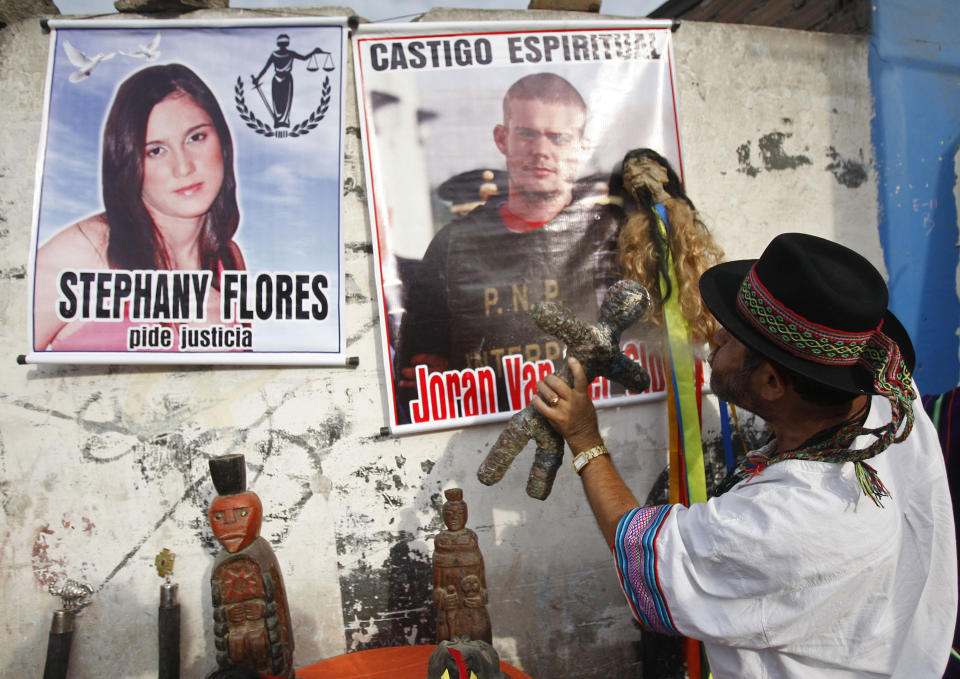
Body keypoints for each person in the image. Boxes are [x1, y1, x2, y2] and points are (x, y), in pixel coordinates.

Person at [534, 232, 957, 677]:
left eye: (733, 338)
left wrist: (584, 439)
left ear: (773, 384)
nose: (716, 336)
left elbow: (647, 555)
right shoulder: (884, 395)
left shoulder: (792, 518)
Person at [397, 72, 621, 418]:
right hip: (482, 444)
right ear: (503, 138)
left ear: (582, 146)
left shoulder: (611, 235)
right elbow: (418, 378)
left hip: (606, 430)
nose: (541, 151)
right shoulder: (452, 245)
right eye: (527, 134)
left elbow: (652, 347)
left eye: (558, 137)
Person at [33, 63, 246, 351]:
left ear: (222, 141)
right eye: (155, 151)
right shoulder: (85, 250)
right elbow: (10, 356)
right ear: (128, 161)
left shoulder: (227, 259)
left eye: (195, 137)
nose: (183, 167)